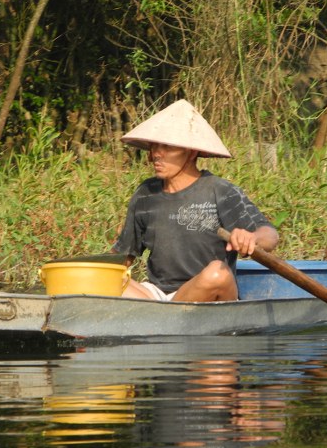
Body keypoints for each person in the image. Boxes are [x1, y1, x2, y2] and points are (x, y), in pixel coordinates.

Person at [112, 99, 279, 302]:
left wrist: (252, 238)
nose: (156, 154)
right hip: (157, 296)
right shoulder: (146, 194)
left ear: (190, 153)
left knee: (217, 273)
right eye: (154, 146)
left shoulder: (220, 191)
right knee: (99, 279)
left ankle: (167, 316)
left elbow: (270, 236)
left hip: (205, 293)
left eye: (167, 147)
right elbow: (123, 258)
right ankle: (164, 316)